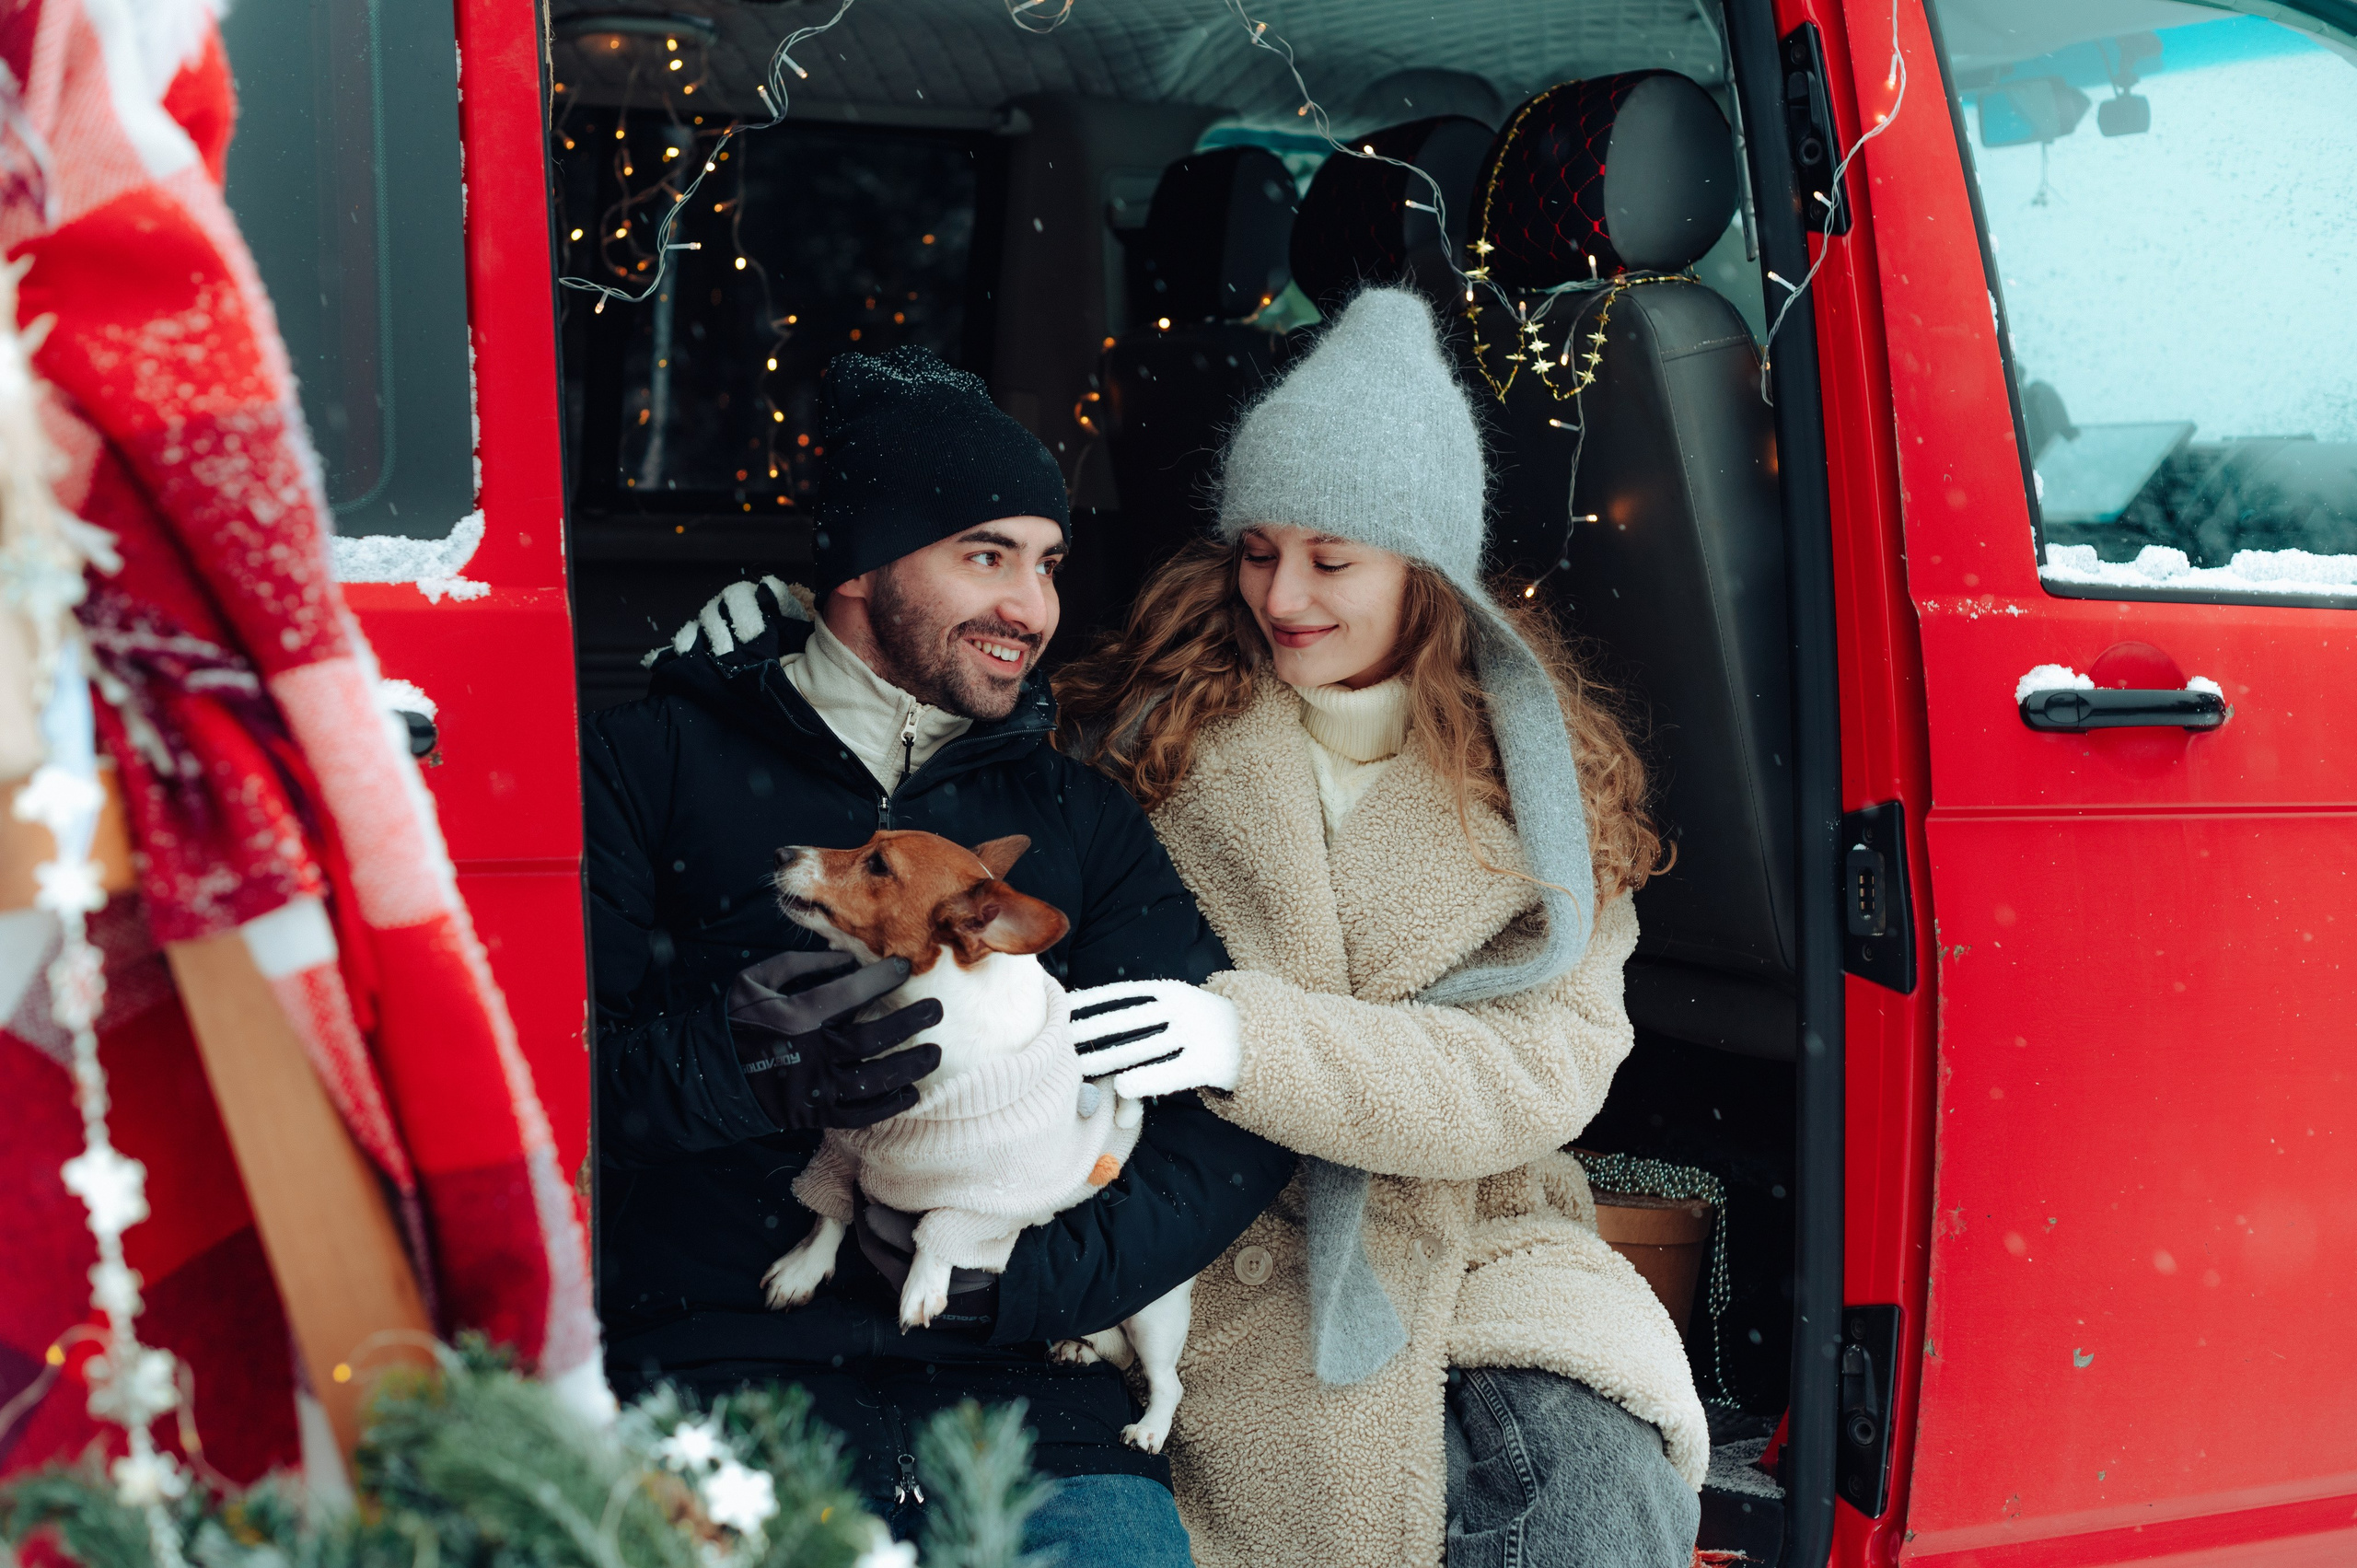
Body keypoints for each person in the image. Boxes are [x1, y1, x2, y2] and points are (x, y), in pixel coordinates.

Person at [583, 347, 1293, 1563]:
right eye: (986, 555)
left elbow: (1227, 1125)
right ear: (861, 566)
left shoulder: (1076, 821)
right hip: (722, 1376)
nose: (1032, 605)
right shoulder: (654, 764)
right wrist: (728, 1069)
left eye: (1047, 565)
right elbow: (530, 1079)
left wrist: (1029, 1288)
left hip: (1029, 1408)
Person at [1051, 286, 1712, 1568]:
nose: (1280, 593)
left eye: (1331, 560)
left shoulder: (1550, 791)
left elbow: (1543, 1068)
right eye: (1256, 549)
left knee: (1599, 1501)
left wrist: (1252, 1042)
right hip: (1198, 1240)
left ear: (1427, 570)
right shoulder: (1142, 730)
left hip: (1469, 1235)